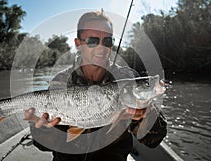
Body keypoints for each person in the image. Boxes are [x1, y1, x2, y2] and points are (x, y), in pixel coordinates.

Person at [24, 10, 167, 161]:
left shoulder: (129, 79)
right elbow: (42, 146)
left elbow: (154, 140)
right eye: (92, 40)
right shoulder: (60, 81)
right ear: (78, 44)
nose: (101, 47)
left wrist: (144, 115)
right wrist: (45, 130)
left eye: (107, 41)